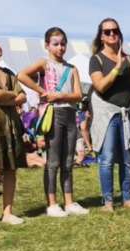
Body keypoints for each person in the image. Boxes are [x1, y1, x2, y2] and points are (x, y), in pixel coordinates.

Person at [18, 27, 88, 217]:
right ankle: (52, 204)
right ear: (47, 45)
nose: (60, 47)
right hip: (53, 115)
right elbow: (21, 75)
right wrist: (42, 92)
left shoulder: (72, 69)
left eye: (63, 43)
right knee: (53, 161)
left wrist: (61, 95)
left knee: (68, 161)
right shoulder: (44, 63)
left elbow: (78, 95)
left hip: (70, 115)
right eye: (55, 44)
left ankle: (69, 201)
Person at [89, 18, 130, 212]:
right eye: (107, 32)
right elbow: (100, 86)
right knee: (107, 158)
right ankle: (108, 201)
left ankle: (127, 198)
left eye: (115, 31)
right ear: (101, 37)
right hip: (108, 114)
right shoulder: (96, 59)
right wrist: (117, 68)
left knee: (127, 159)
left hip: (125, 114)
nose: (112, 34)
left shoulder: (128, 58)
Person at [0, 39, 27, 224]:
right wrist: (12, 96)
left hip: (10, 125)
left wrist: (6, 97)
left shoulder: (9, 73)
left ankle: (7, 213)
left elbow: (22, 97)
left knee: (10, 169)